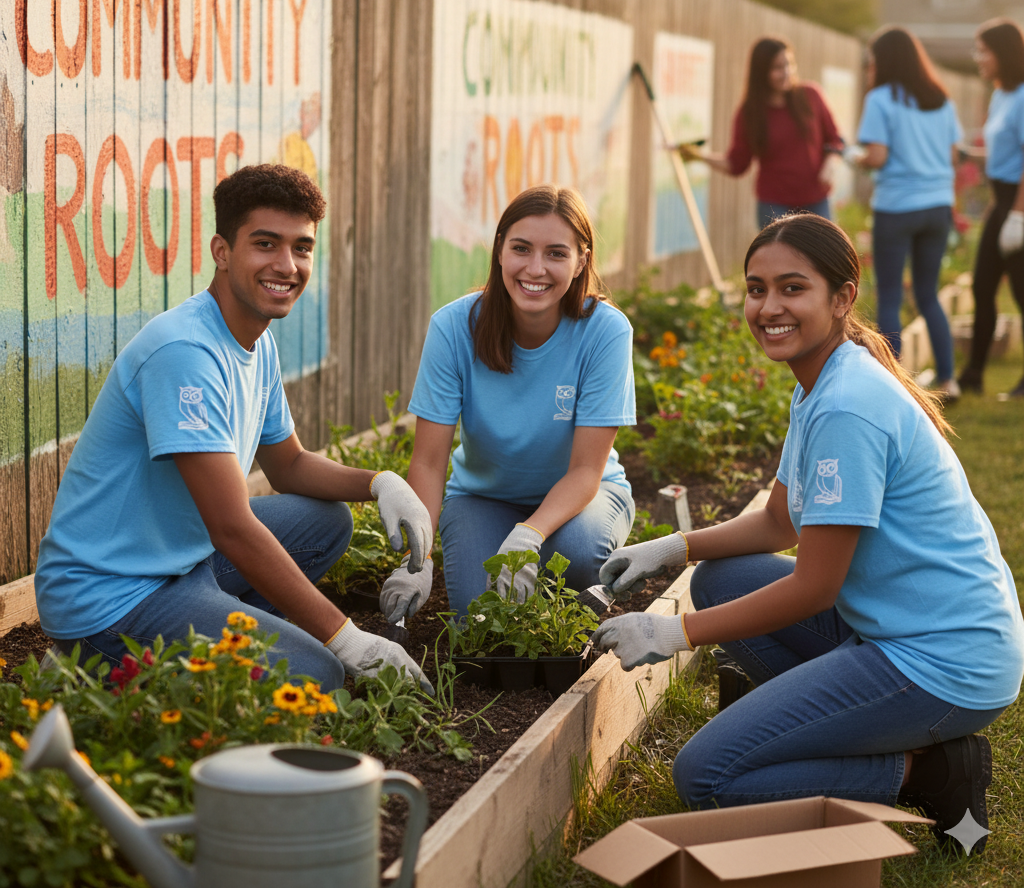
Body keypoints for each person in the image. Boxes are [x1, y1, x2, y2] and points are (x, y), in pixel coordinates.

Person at [592, 213, 1023, 854]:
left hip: (944, 664)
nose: (769, 307)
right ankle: (833, 725)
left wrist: (669, 632)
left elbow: (813, 588)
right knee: (719, 579)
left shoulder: (848, 403)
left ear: (842, 297)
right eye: (756, 288)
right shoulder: (822, 381)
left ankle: (931, 770)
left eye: (793, 288)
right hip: (898, 628)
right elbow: (779, 522)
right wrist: (673, 549)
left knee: (706, 776)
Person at [34, 164, 433, 693]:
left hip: (181, 558)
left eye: (302, 247)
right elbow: (232, 527)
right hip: (112, 594)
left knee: (326, 523)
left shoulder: (253, 339)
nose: (287, 265)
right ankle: (89, 662)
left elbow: (288, 466)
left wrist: (380, 481)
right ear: (223, 251)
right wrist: (346, 637)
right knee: (318, 674)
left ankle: (209, 626)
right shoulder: (186, 353)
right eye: (265, 243)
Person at [378, 184, 636, 623]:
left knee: (573, 560)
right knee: (478, 613)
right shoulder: (454, 327)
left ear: (581, 262)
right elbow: (428, 461)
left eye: (557, 253)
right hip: (483, 497)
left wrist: (531, 534)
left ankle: (583, 578)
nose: (536, 268)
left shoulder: (605, 332)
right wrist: (415, 560)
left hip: (583, 496)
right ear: (500, 251)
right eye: (521, 248)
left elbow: (585, 471)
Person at [854, 26, 963, 400]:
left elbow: (877, 157)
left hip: (897, 207)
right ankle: (949, 380)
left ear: (884, 62)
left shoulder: (880, 99)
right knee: (928, 294)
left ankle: (893, 386)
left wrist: (856, 158)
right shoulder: (942, 100)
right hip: (937, 207)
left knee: (889, 297)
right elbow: (952, 156)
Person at [681, 37, 844, 229]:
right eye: (777, 67)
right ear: (761, 72)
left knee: (825, 258)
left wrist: (831, 163)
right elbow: (736, 164)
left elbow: (835, 139)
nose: (786, 73)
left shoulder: (811, 95)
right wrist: (699, 156)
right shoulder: (749, 113)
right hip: (774, 206)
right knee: (779, 260)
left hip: (816, 200)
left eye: (789, 64)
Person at [959, 19, 1024, 398]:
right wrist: (969, 155)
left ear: (1003, 54)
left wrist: (1018, 216)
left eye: (983, 50)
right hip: (1001, 201)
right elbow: (1003, 154)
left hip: (1018, 203)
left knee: (1021, 292)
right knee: (983, 287)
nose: (978, 58)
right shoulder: (1001, 94)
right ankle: (974, 374)